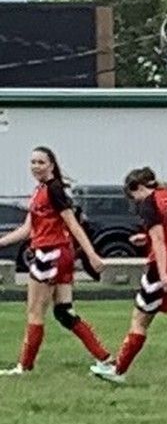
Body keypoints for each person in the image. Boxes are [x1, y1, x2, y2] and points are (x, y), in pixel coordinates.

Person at [90, 168, 167, 386]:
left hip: (166, 263)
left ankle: (118, 371)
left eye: (132, 196)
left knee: (139, 319)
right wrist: (145, 237)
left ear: (138, 188)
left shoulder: (149, 202)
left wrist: (164, 274)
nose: (134, 202)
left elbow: (159, 240)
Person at [0, 147, 110, 375]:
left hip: (50, 253)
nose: (36, 166)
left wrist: (91, 254)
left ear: (51, 164)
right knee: (63, 311)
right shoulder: (39, 191)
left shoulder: (55, 189)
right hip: (58, 255)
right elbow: (28, 229)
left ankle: (25, 366)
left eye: (41, 162)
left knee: (34, 311)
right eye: (32, 162)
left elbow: (72, 224)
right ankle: (105, 358)